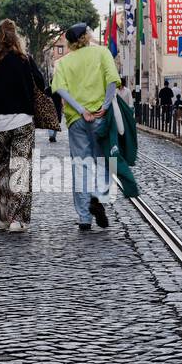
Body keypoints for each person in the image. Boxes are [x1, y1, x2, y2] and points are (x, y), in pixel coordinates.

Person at [0, 20, 48, 232]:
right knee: (21, 168)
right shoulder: (24, 60)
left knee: (2, 168)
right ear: (15, 38)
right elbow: (40, 84)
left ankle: (2, 217)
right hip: (22, 121)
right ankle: (17, 219)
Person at [52, 22, 120, 231]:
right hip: (100, 117)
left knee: (80, 166)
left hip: (77, 120)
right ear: (87, 36)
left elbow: (60, 90)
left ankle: (84, 217)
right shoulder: (102, 53)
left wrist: (81, 109)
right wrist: (105, 106)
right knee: (105, 161)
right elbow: (112, 80)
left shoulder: (63, 63)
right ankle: (98, 197)